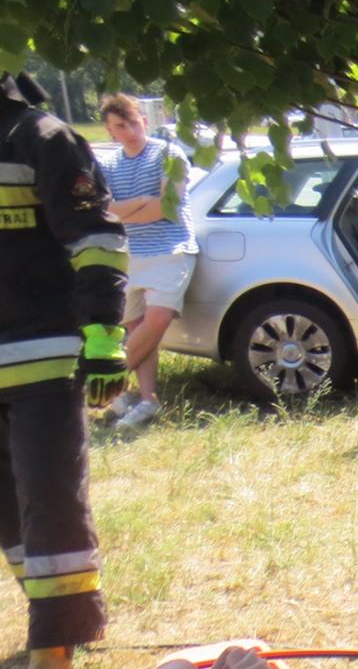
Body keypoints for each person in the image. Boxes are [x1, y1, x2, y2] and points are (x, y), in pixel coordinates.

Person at [0, 70, 129, 669]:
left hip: (42, 363)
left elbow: (98, 240)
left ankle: (52, 656)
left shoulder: (43, 138)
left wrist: (104, 338)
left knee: (52, 508)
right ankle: (47, 636)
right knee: (9, 515)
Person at [96, 95, 196, 428]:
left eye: (133, 122)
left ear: (145, 120)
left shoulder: (169, 154)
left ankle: (108, 382)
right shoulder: (108, 164)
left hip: (170, 248)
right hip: (128, 254)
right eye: (119, 126)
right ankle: (147, 400)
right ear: (110, 131)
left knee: (156, 321)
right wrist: (141, 201)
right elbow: (102, 210)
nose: (128, 131)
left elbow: (167, 208)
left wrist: (127, 209)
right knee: (137, 329)